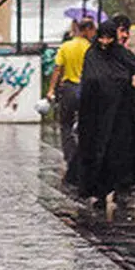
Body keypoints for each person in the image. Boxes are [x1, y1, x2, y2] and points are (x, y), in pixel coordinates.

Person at [76, 18, 135, 211]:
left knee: (120, 154)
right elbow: (90, 80)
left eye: (109, 39)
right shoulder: (92, 55)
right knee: (99, 154)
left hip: (121, 117)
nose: (105, 43)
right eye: (102, 38)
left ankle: (122, 187)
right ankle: (99, 191)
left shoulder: (122, 54)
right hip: (97, 117)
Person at [46, 19, 94, 185]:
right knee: (86, 125)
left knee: (66, 124)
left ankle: (70, 157)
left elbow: (58, 68)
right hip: (87, 91)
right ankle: (84, 157)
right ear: (87, 30)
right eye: (93, 29)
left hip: (69, 89)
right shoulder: (90, 48)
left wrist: (51, 89)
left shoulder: (66, 46)